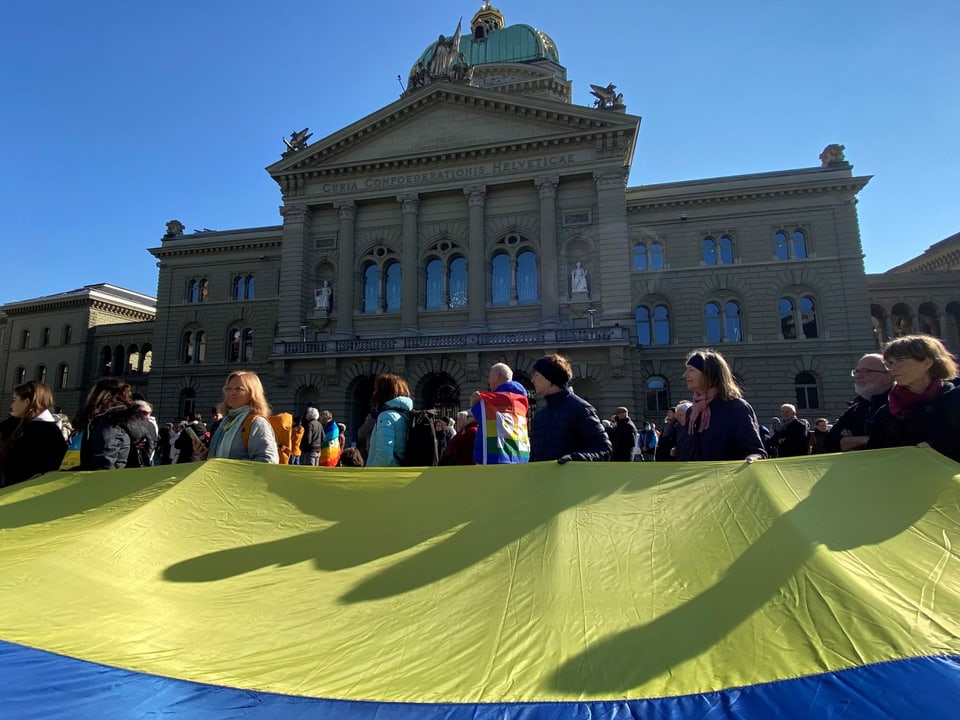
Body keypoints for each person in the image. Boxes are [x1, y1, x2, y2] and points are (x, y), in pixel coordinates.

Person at [866, 334, 960, 462]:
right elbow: (874, 457)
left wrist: (937, 447)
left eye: (899, 361)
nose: (892, 369)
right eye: (889, 363)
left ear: (927, 362)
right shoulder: (885, 412)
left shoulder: (955, 400)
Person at [675, 350, 766, 463]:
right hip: (698, 479)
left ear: (709, 374)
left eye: (691, 370)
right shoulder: (692, 411)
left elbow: (755, 451)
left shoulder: (736, 408)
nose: (685, 375)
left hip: (727, 478)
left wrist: (753, 458)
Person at [529, 354, 612, 463]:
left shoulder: (581, 409)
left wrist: (574, 459)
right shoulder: (540, 415)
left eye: (536, 375)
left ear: (549, 378)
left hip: (573, 478)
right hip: (543, 479)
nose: (532, 380)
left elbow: (604, 449)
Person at [194, 371, 279, 463]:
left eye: (239, 389)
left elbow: (268, 461)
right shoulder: (225, 421)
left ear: (252, 393)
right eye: (228, 389)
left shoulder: (256, 423)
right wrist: (204, 456)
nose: (232, 393)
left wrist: (232, 466)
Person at [72, 378, 156, 471]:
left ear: (100, 397)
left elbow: (105, 462)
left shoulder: (109, 421)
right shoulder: (124, 420)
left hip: (105, 481)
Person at [0, 381, 68, 486]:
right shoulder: (16, 423)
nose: (11, 405)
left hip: (25, 491)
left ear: (27, 402)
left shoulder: (45, 431)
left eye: (14, 400)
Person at [825, 353, 894, 453]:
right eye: (856, 371)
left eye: (865, 371)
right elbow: (830, 442)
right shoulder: (856, 409)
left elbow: (887, 442)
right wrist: (863, 440)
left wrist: (850, 442)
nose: (857, 376)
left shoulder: (898, 404)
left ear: (887, 377)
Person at [470, 362, 530, 464]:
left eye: (489, 377)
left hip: (499, 459)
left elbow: (482, 418)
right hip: (519, 456)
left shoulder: (491, 401)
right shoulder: (521, 400)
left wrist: (475, 403)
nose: (488, 381)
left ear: (496, 375)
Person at [366, 374, 413, 467]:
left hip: (385, 476)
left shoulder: (386, 416)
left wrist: (371, 473)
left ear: (383, 393)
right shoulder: (405, 415)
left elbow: (384, 454)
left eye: (377, 390)